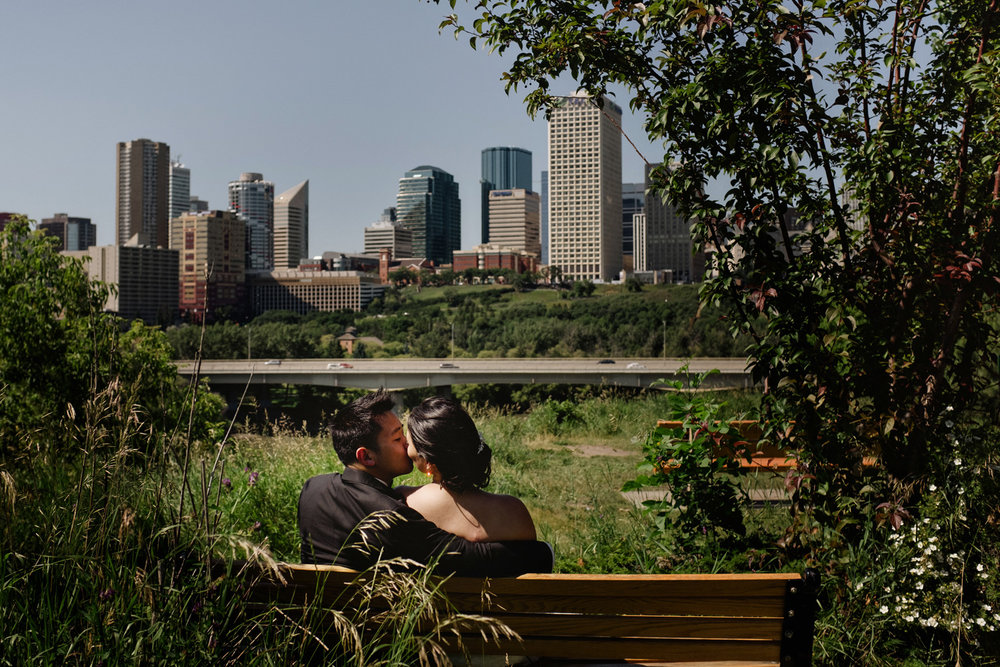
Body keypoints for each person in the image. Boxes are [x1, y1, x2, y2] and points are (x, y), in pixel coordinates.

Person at [297, 389, 552, 576]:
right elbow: (468, 557)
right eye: (398, 439)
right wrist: (542, 553)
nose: (407, 444)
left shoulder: (312, 489)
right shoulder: (392, 515)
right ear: (366, 456)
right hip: (372, 638)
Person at [403, 396, 536, 542]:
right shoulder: (514, 510)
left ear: (429, 462)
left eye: (408, 443)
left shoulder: (405, 500)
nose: (405, 447)